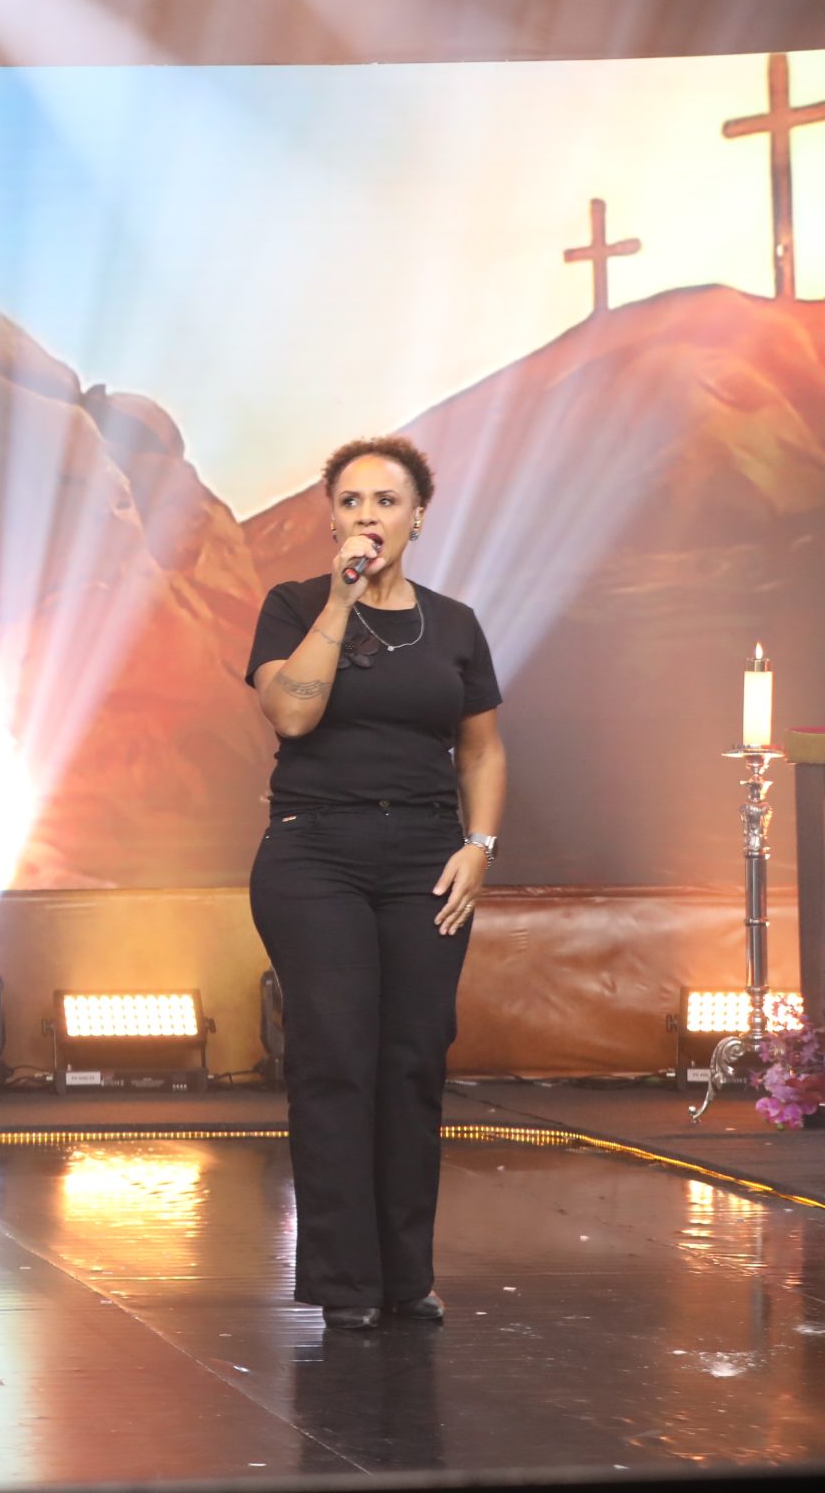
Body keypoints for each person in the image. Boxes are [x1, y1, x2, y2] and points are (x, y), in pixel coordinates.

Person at [245, 434, 505, 1331]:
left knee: (413, 1058)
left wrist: (480, 845)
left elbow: (482, 750)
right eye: (351, 501)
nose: (367, 516)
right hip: (314, 852)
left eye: (386, 501)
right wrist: (340, 599)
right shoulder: (293, 605)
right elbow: (292, 712)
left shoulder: (455, 623)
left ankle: (406, 1274)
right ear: (331, 518)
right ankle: (344, 1280)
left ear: (417, 517)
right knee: (336, 1057)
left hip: (427, 855)